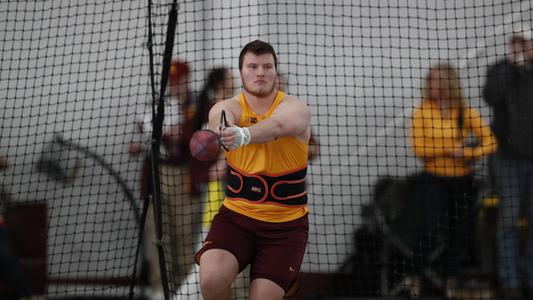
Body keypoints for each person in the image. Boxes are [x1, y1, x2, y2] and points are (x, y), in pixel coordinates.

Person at [194, 40, 311, 300]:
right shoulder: (229, 106)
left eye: (267, 66)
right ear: (241, 72)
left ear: (275, 72)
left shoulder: (296, 108)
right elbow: (220, 116)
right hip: (236, 218)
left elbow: (280, 125)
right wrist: (223, 129)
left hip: (285, 226)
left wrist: (244, 134)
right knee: (211, 280)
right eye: (253, 66)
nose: (260, 72)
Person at [409, 63, 496, 298]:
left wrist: (467, 153)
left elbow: (490, 142)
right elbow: (419, 148)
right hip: (433, 180)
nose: (432, 85)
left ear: (449, 83)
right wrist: (449, 149)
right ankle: (417, 277)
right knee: (426, 229)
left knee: (459, 233)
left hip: (462, 181)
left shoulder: (464, 112)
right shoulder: (422, 111)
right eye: (430, 80)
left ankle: (451, 280)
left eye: (437, 80)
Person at [128, 59, 201, 295]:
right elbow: (143, 134)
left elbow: (201, 144)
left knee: (184, 236)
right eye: (170, 82)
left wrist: (178, 136)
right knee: (156, 234)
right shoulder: (157, 105)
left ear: (186, 80)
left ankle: (183, 291)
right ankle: (161, 288)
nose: (173, 87)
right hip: (155, 174)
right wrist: (141, 145)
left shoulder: (197, 106)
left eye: (178, 82)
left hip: (184, 177)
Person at [483, 24, 533, 299]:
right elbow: (492, 96)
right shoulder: (499, 70)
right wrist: (512, 67)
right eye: (516, 42)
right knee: (508, 221)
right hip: (507, 159)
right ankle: (510, 281)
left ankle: (530, 276)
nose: (521, 46)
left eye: (525, 42)